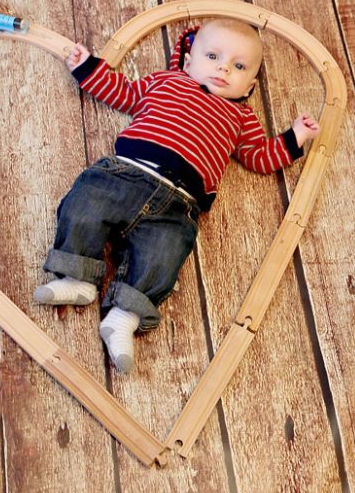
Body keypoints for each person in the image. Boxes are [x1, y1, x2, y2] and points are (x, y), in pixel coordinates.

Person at [33, 18, 320, 374]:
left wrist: (294, 137)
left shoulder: (242, 119)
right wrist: (86, 66)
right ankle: (76, 278)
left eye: (238, 66)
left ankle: (124, 317)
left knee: (163, 256)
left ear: (250, 85)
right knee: (85, 204)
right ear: (187, 61)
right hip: (126, 173)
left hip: (179, 204)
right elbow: (121, 92)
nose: (223, 68)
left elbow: (259, 157)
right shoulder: (165, 82)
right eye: (212, 55)